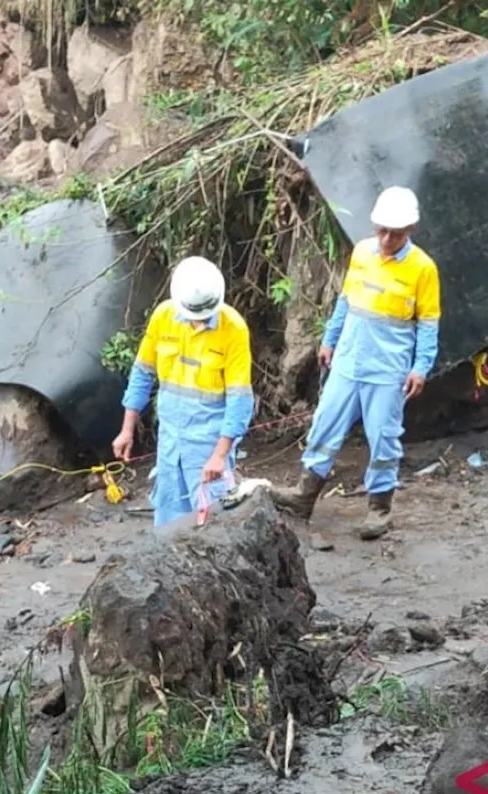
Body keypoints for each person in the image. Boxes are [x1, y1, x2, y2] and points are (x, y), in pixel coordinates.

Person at [270, 186, 441, 540]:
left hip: (387, 368)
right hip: (348, 360)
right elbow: (346, 301)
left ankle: (380, 508)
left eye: (396, 233)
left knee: (384, 438)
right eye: (382, 230)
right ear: (374, 224)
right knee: (324, 425)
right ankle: (305, 494)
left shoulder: (423, 268)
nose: (387, 239)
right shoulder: (362, 252)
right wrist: (330, 340)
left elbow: (427, 323)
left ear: (410, 230)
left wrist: (420, 367)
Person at [112, 255, 255, 527]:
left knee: (212, 518)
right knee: (169, 512)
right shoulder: (164, 316)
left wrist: (220, 456)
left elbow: (239, 398)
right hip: (170, 437)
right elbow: (143, 372)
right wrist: (127, 429)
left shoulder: (233, 328)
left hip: (208, 440)